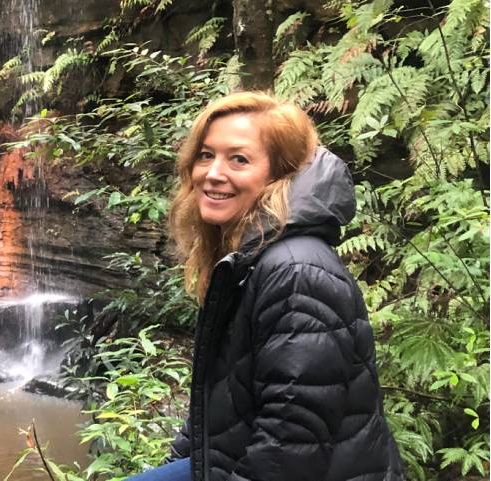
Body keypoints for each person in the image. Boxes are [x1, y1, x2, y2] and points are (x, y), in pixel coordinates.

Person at [127, 92, 404, 481]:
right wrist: (176, 463)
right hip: (234, 459)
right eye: (206, 155)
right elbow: (219, 403)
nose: (212, 173)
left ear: (279, 175)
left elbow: (293, 435)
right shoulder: (249, 258)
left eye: (238, 159)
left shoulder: (295, 270)